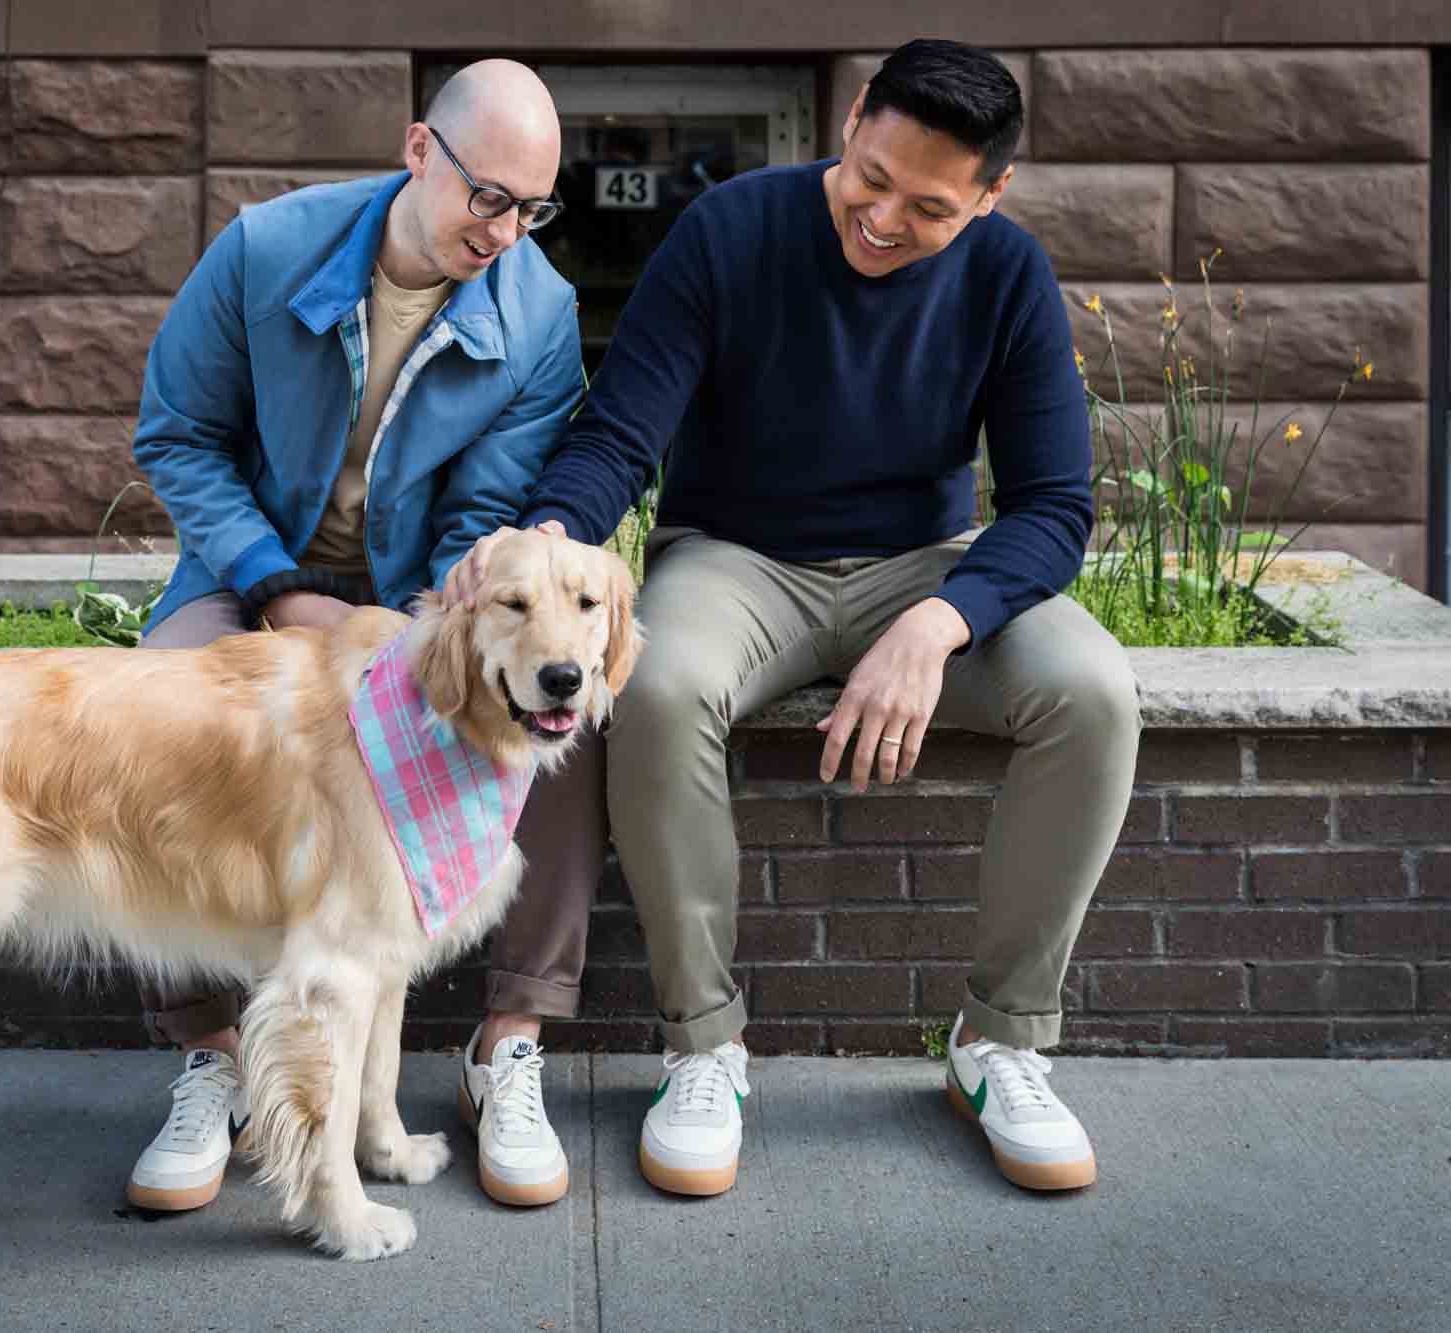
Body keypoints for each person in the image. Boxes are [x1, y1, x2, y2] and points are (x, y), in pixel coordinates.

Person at [449, 39, 1141, 1196]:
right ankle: (702, 1048)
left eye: (927, 207)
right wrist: (551, 535)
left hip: (925, 566)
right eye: (870, 177)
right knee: (658, 691)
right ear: (854, 116)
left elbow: (1052, 507)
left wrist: (936, 624)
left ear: (988, 196)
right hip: (733, 558)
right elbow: (621, 431)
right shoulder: (728, 231)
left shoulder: (1007, 275)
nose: (881, 218)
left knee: (1092, 693)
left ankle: (998, 1043)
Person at [123, 58, 605, 1214]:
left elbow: (482, 520)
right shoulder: (263, 249)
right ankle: (209, 1055)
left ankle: (511, 1035)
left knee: (552, 725)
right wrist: (278, 585)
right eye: (486, 196)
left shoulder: (539, 312)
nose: (504, 231)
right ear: (415, 152)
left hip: (415, 599)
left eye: (531, 208)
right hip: (250, 573)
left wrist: (411, 636)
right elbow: (177, 436)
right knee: (162, 713)